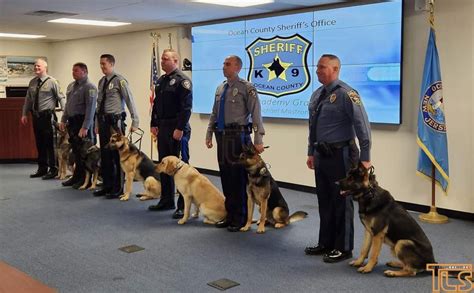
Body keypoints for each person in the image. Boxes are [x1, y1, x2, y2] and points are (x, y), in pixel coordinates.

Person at [305, 54, 371, 263]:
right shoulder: (317, 94)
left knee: (342, 201)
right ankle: (325, 242)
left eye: (322, 67)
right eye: (317, 67)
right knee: (324, 200)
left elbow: (362, 126)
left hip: (341, 154)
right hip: (321, 154)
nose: (317, 70)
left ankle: (343, 248)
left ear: (335, 69)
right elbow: (313, 127)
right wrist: (310, 152)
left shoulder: (347, 94)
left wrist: (365, 157)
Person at [205, 55, 265, 232]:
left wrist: (258, 140)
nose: (224, 66)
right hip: (221, 136)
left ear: (237, 67)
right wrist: (209, 133)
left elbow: (256, 115)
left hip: (238, 136)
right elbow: (214, 114)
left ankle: (240, 218)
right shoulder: (220, 88)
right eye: (223, 63)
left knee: (237, 179)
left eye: (228, 64)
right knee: (225, 176)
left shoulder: (247, 88)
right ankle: (230, 215)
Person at [148, 49, 192, 219]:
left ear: (175, 61)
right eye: (161, 59)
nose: (162, 61)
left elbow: (186, 108)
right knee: (164, 165)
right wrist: (154, 123)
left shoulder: (182, 81)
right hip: (163, 127)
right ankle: (166, 200)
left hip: (177, 127)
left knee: (181, 168)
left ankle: (182, 205)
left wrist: (180, 128)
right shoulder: (161, 81)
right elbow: (156, 105)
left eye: (165, 59)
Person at [93, 54, 139, 199]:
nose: (102, 67)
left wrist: (135, 120)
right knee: (105, 155)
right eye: (100, 64)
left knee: (117, 156)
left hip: (115, 123)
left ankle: (118, 188)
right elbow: (98, 104)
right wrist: (96, 124)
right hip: (103, 121)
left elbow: (129, 100)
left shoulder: (120, 80)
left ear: (112, 64)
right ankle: (107, 185)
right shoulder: (101, 82)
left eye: (104, 64)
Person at [21, 58, 66, 180]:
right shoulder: (32, 82)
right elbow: (28, 100)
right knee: (39, 143)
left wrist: (64, 114)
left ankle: (53, 169)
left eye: (38, 66)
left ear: (45, 68)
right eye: (35, 66)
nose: (36, 68)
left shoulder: (52, 81)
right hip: (36, 117)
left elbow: (61, 97)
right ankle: (42, 168)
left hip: (48, 117)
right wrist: (24, 114)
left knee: (50, 144)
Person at [59, 62, 97, 189]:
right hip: (73, 122)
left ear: (84, 72)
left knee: (84, 153)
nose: (73, 72)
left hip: (83, 122)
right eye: (72, 70)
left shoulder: (89, 87)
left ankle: (84, 180)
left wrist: (85, 127)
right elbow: (67, 106)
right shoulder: (71, 86)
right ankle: (76, 176)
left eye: (76, 70)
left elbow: (91, 109)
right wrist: (63, 120)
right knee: (75, 151)